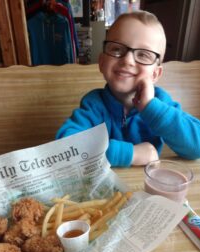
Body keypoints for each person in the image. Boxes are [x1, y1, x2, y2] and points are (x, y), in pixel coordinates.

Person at [56, 10, 200, 167]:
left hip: (148, 187)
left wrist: (151, 109)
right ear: (102, 62)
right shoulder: (94, 104)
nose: (128, 60)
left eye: (144, 54)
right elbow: (65, 150)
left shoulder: (160, 103)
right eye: (117, 49)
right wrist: (131, 154)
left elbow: (196, 146)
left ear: (155, 74)